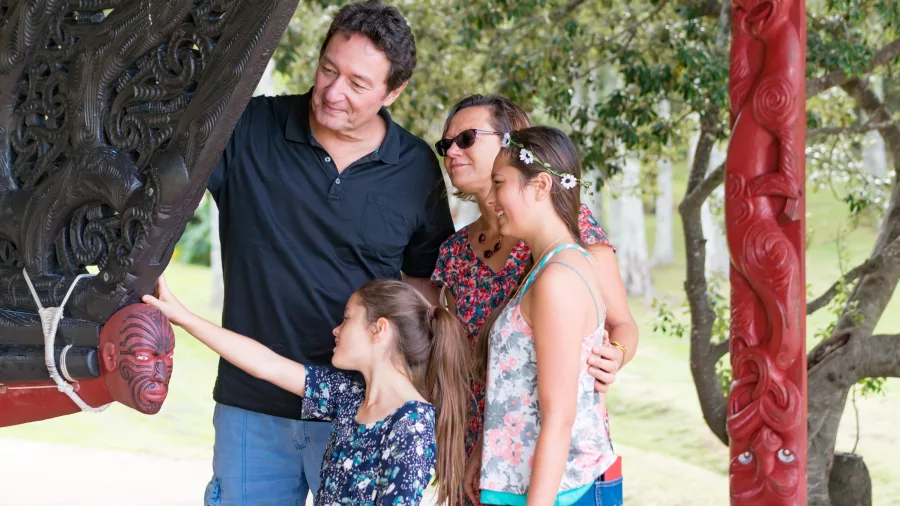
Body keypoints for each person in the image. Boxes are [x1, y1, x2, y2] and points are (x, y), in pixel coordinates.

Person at [205, 1, 454, 503]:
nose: (334, 92)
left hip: (361, 412)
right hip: (253, 406)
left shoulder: (415, 169)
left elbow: (424, 289)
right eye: (328, 70)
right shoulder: (248, 128)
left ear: (394, 92)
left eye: (358, 84)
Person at [431, 95, 637, 505]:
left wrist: (615, 353)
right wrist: (474, 451)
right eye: (445, 144)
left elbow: (618, 325)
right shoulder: (454, 253)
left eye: (467, 138)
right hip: (493, 451)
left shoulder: (567, 233)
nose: (452, 151)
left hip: (557, 465)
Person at [144, 277, 469, 505]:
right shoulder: (349, 396)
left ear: (378, 329)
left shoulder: (412, 425)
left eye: (347, 319)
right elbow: (265, 364)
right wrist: (183, 317)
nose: (336, 329)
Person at [476, 126, 618, 505]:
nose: (490, 199)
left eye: (499, 183)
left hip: (556, 493)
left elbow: (559, 419)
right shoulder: (557, 264)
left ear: (540, 186)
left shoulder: (557, 278)